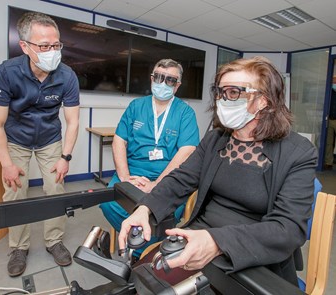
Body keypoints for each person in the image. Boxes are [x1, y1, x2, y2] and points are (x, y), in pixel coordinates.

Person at [118, 56, 318, 286]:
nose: (223, 99)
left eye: (233, 92)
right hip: (198, 236)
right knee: (141, 282)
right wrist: (146, 207)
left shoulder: (299, 153)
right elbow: (181, 180)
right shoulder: (215, 139)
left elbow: (288, 229)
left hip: (253, 256)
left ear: (263, 101)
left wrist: (216, 242)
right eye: (220, 91)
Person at [0, 12, 80, 277]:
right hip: (16, 138)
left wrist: (65, 157)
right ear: (25, 46)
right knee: (15, 190)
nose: (52, 51)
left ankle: (54, 241)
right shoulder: (6, 73)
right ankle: (18, 247)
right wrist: (6, 164)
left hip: (50, 139)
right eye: (44, 46)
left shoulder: (67, 76)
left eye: (56, 44)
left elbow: (72, 122)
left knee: (55, 187)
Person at [100, 59, 199, 257]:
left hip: (170, 177)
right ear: (152, 79)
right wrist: (126, 178)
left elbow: (186, 151)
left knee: (166, 214)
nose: (163, 83)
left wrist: (158, 184)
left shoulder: (185, 112)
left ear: (177, 85)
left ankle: (136, 254)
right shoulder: (136, 106)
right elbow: (119, 141)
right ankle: (140, 245)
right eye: (159, 77)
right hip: (134, 173)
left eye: (170, 80)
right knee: (108, 202)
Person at [324, 76, 336, 170]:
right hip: (330, 119)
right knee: (329, 142)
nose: (334, 80)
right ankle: (329, 162)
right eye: (332, 79)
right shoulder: (328, 91)